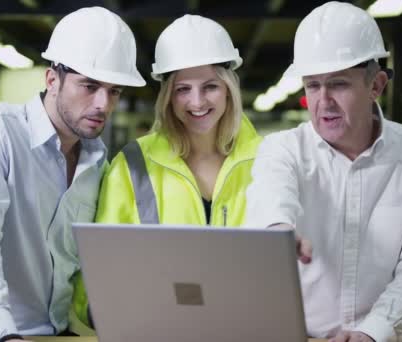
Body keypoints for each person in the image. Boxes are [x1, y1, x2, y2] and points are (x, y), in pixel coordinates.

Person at [0, 7, 145, 342]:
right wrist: (0, 334)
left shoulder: (98, 164)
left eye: (114, 91)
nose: (103, 104)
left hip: (56, 332)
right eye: (89, 86)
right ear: (52, 79)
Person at [245, 2, 402, 341]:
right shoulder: (282, 149)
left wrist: (372, 333)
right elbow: (272, 196)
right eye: (312, 85)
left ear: (376, 86)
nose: (323, 100)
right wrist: (277, 232)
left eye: (338, 84)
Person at [70, 14, 261, 332]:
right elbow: (100, 271)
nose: (196, 102)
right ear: (168, 96)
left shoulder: (269, 161)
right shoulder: (132, 166)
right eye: (183, 89)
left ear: (229, 90)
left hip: (249, 332)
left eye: (210, 87)